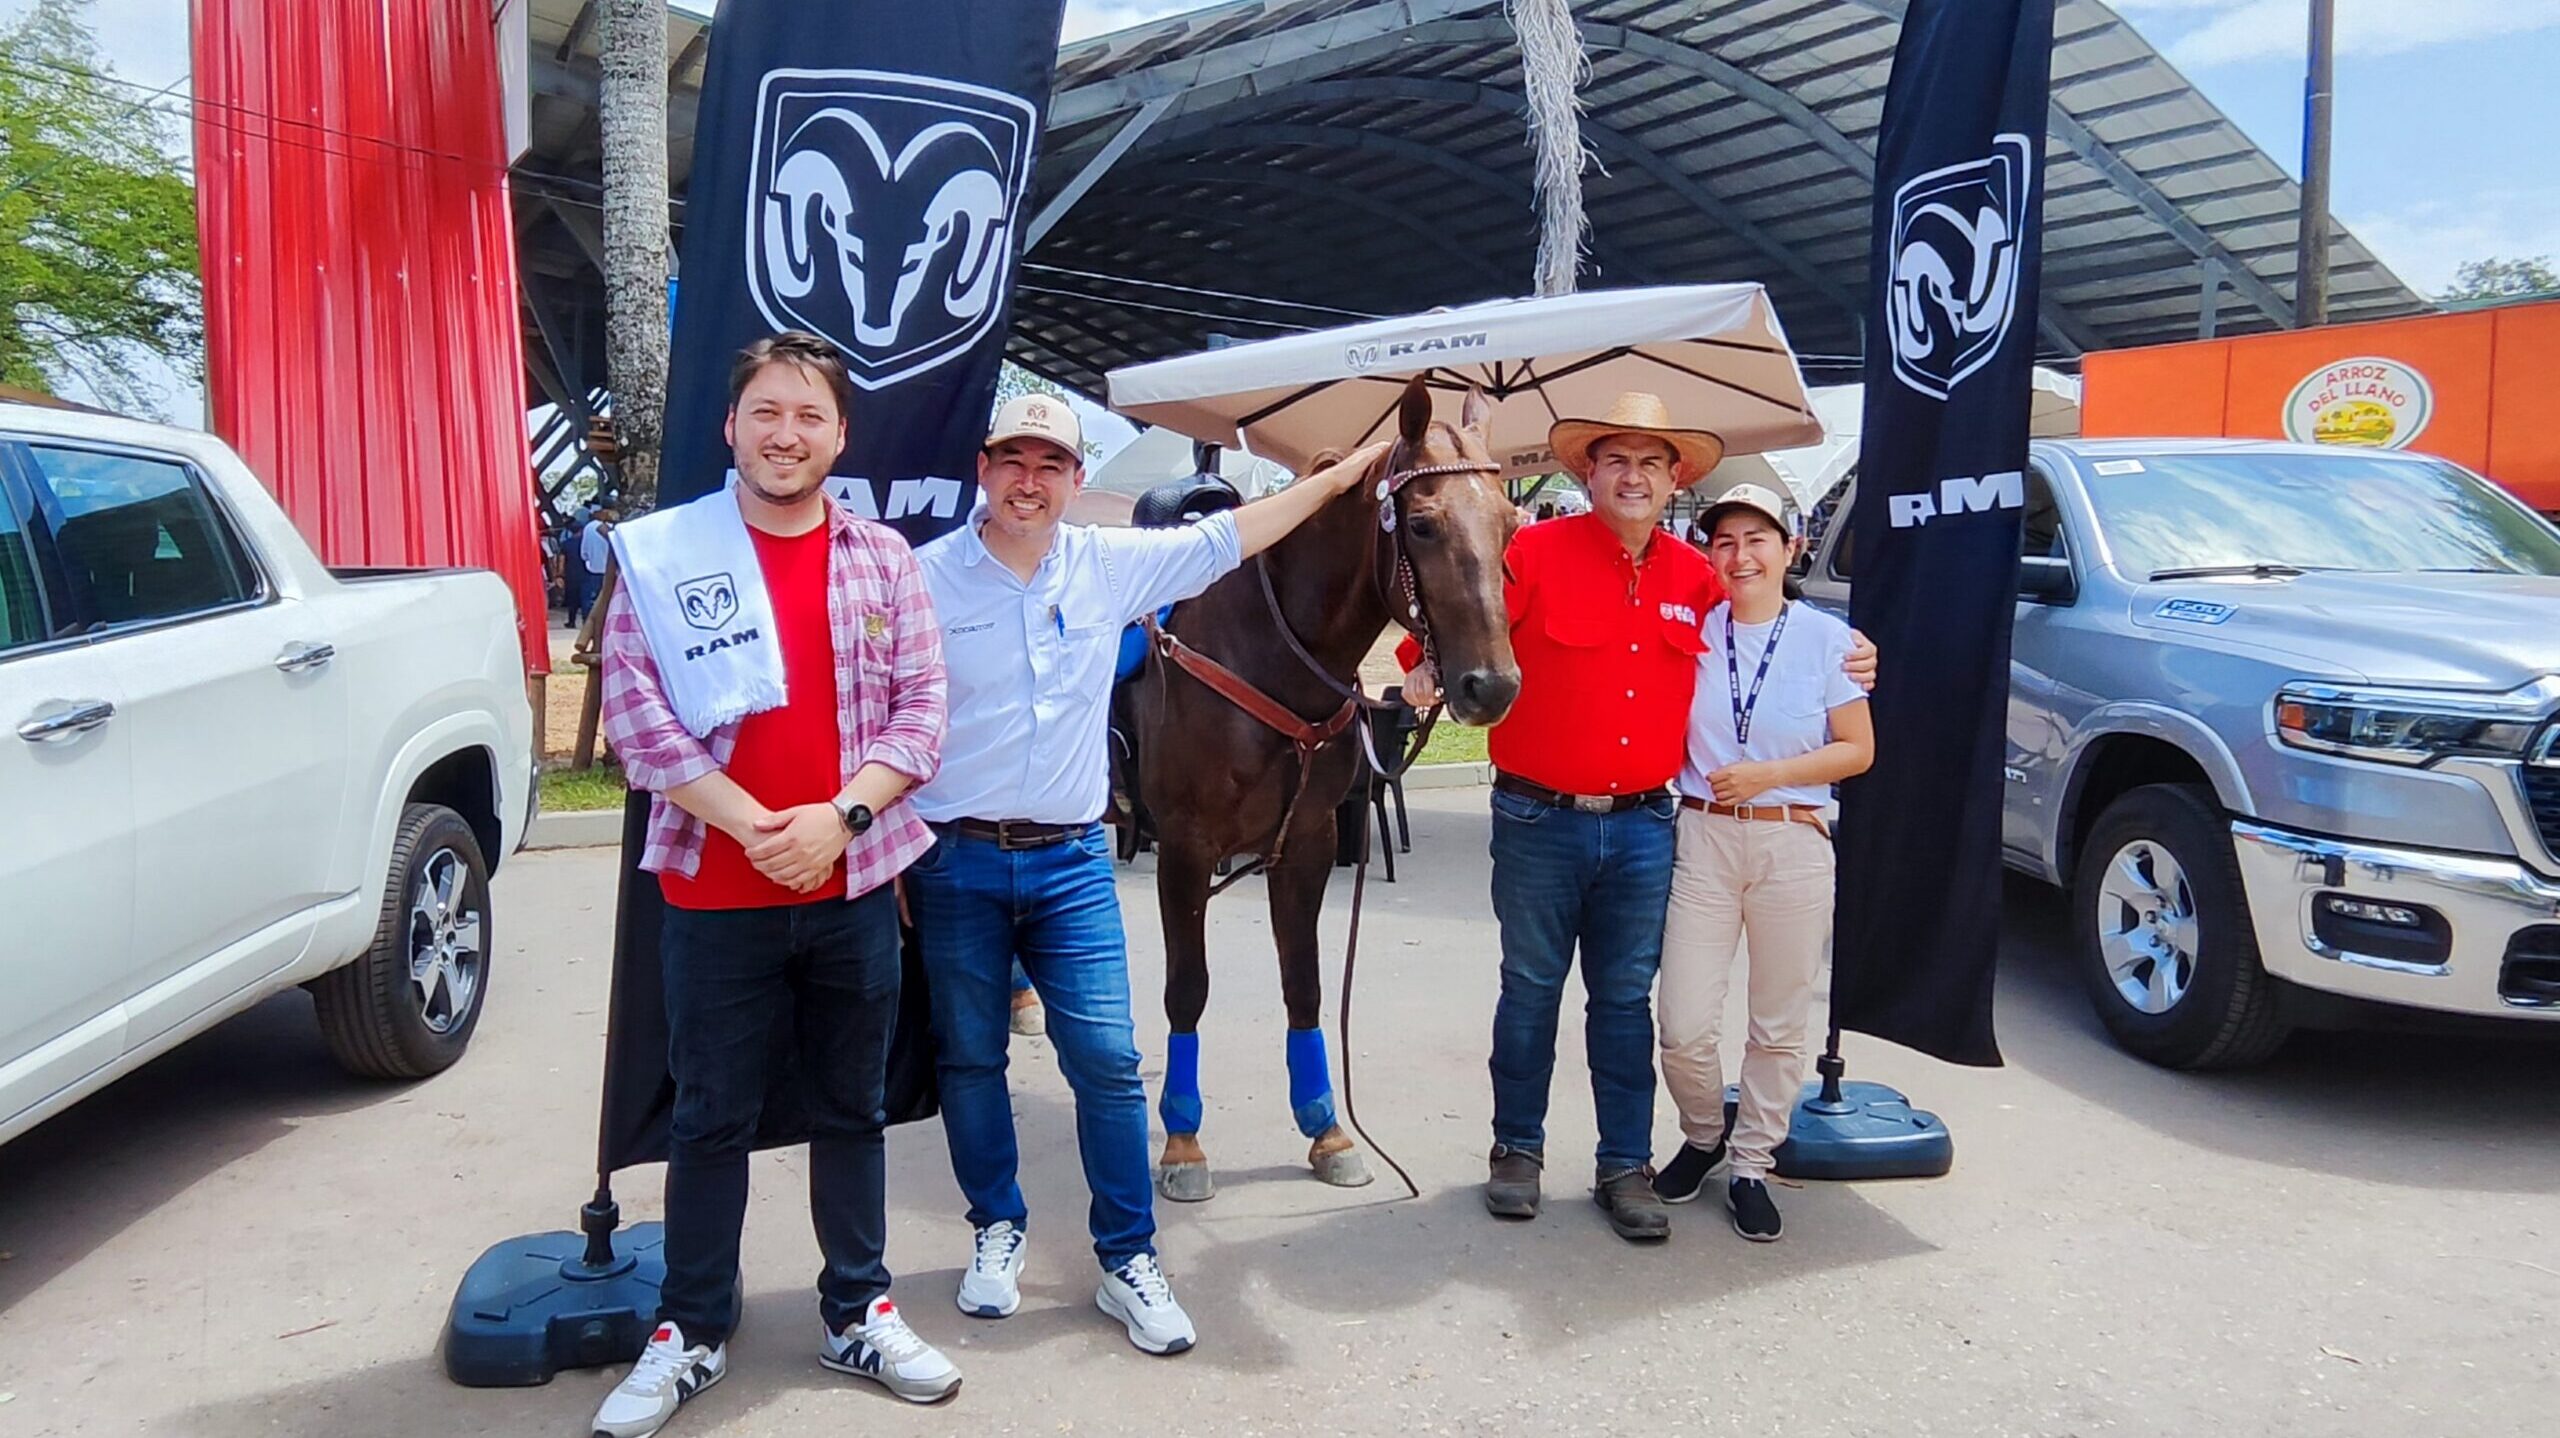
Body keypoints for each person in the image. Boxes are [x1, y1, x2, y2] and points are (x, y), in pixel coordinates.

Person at [907, 392, 1389, 1355]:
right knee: (969, 1060)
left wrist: (1335, 479)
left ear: (1075, 481)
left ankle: (1129, 1256)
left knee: (1110, 1068)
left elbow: (1233, 538)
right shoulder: (921, 579)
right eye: (1012, 460)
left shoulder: (1109, 564)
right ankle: (997, 1228)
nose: (1029, 480)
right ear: (983, 470)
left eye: (1050, 465)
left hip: (1072, 860)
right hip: (952, 854)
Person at [592, 333, 957, 1438]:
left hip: (852, 891)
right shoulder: (666, 555)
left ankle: (859, 1308)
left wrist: (836, 818)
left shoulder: (883, 557)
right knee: (710, 1119)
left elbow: (924, 713)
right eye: (766, 411)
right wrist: (758, 826)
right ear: (731, 425)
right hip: (714, 893)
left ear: (840, 435)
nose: (785, 433)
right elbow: (635, 716)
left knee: (853, 1107)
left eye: (808, 415)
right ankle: (690, 1326)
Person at [1401, 391, 1873, 1242]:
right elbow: (1453, 611)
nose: (1633, 476)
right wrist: (1423, 668)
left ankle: (1625, 1164)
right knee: (1531, 990)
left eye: (1651, 463)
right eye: (1615, 459)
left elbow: (1775, 635)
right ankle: (1517, 1151)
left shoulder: (1697, 576)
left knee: (1624, 1001)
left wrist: (1860, 654)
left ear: (1674, 479)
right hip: (1537, 818)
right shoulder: (1533, 550)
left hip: (1648, 828)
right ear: (1587, 473)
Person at [1652, 482, 1873, 1241]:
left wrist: (1769, 775)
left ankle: (1751, 1161)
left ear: (1791, 548)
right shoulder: (1690, 629)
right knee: (1682, 1022)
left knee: (1778, 1023)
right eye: (1723, 542)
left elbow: (1859, 749)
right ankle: (1704, 1131)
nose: (1739, 556)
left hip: (1792, 836)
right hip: (1703, 837)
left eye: (1757, 540)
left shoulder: (1828, 639)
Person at [572, 505, 616, 625]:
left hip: (592, 569)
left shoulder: (588, 528)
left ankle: (588, 622)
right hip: (609, 571)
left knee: (590, 599)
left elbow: (584, 552)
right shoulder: (611, 529)